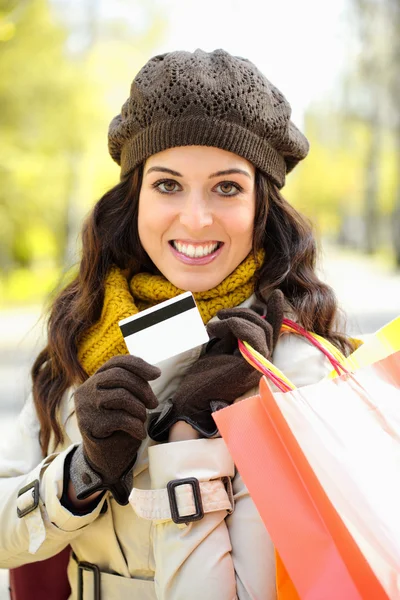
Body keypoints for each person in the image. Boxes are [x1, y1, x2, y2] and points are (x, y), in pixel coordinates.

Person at [0, 49, 355, 600]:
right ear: (134, 195)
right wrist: (83, 472)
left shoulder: (293, 366)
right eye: (168, 184)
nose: (195, 218)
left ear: (262, 204)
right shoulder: (83, 334)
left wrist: (188, 435)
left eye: (227, 187)